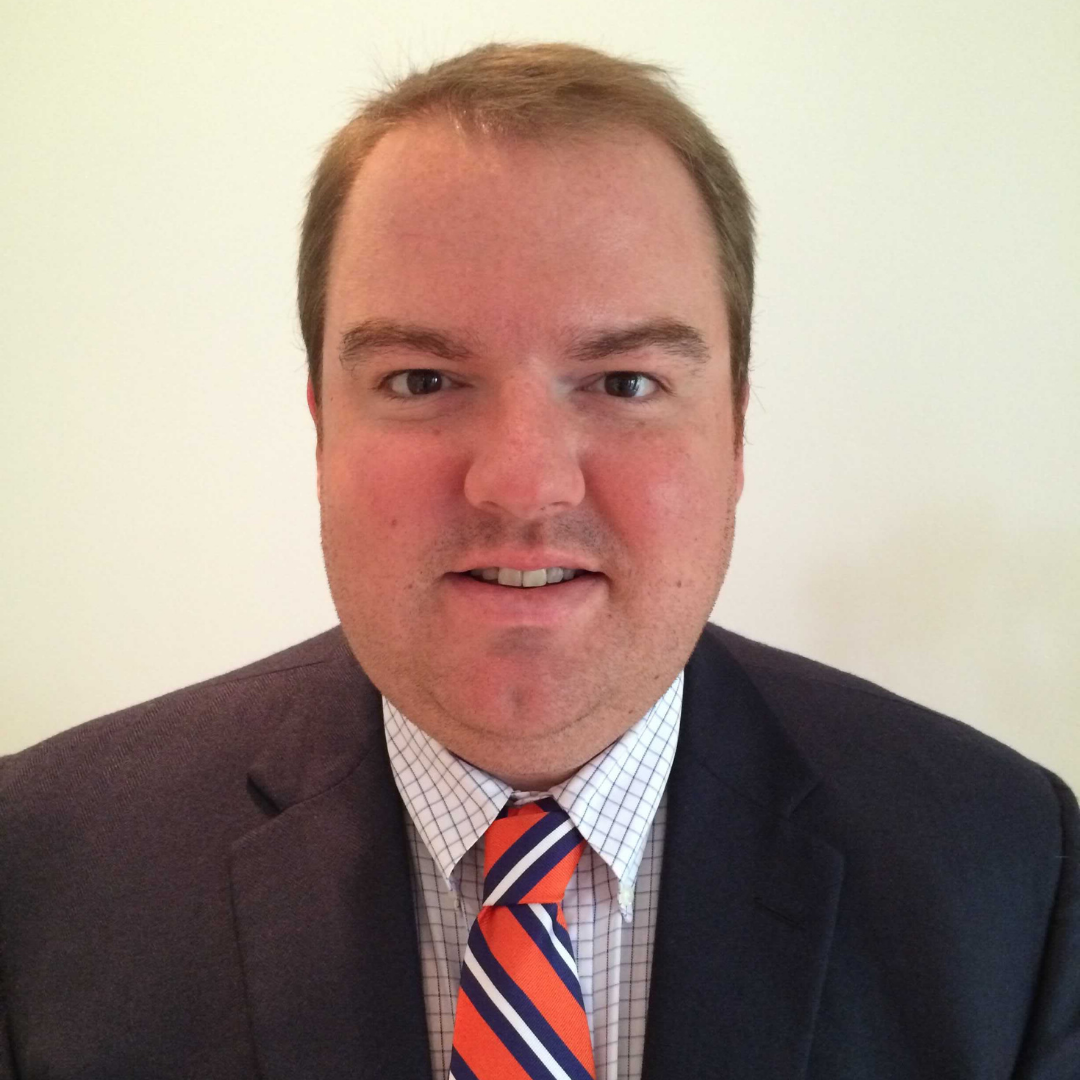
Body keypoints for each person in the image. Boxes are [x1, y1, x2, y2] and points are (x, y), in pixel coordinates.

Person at [0, 42, 1076, 1080]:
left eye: (625, 383)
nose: (522, 483)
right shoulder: (42, 867)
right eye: (422, 380)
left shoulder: (1009, 873)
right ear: (321, 426)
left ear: (736, 431)